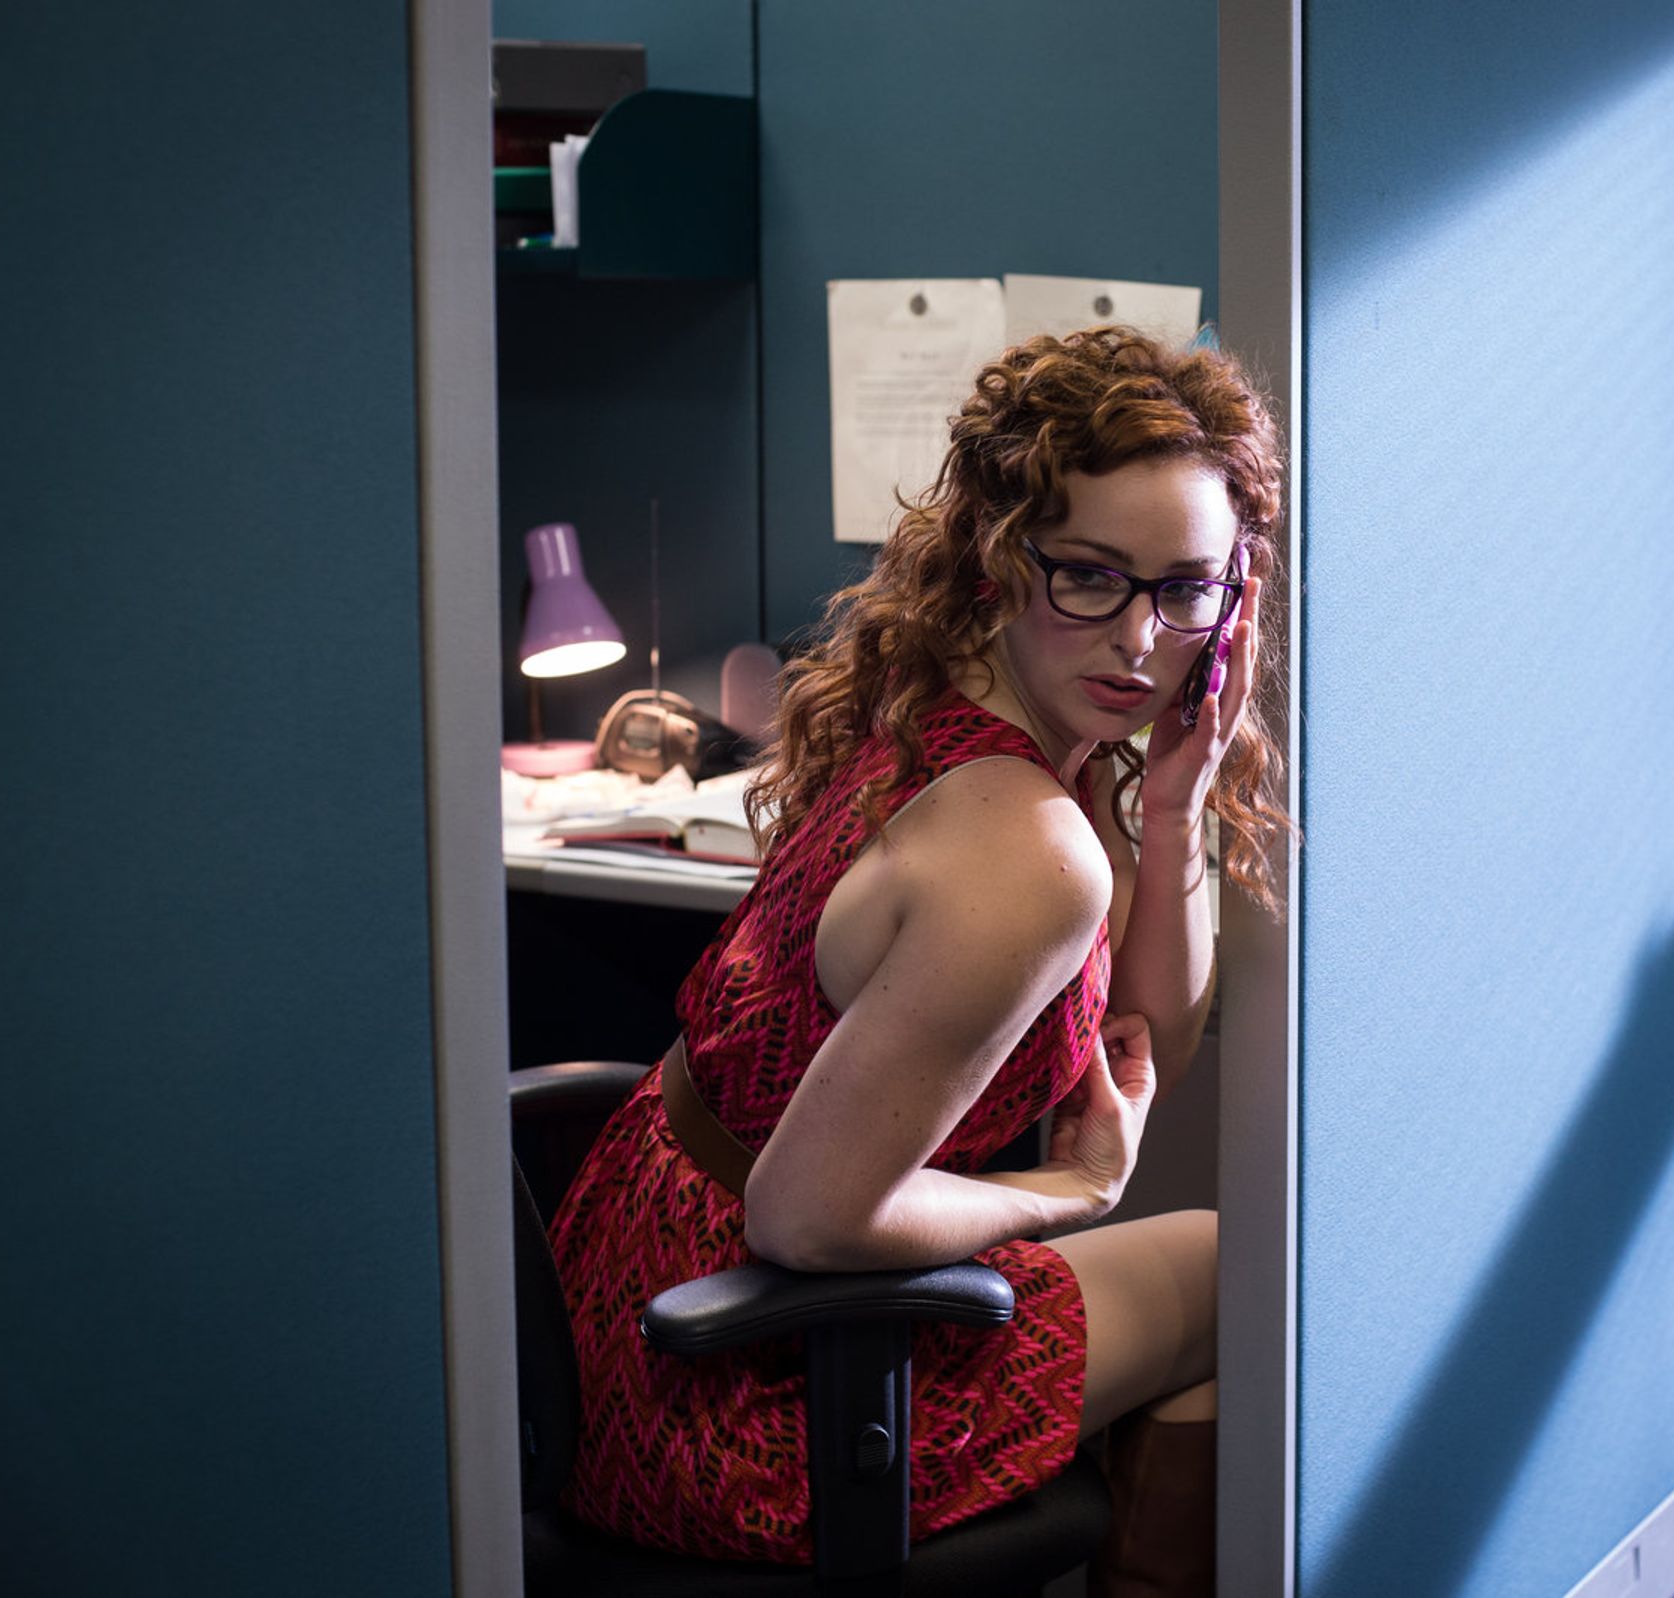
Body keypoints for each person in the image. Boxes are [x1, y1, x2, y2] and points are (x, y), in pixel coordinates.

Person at [548, 324, 1288, 1597]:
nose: (1140, 640)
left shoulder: (943, 704)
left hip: (618, 1304)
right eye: (1091, 576)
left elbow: (1136, 1048)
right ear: (1003, 555)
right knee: (1245, 1277)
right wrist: (1068, 1191)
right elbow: (809, 1215)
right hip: (739, 1397)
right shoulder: (1029, 845)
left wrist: (1173, 812)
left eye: (1187, 589)